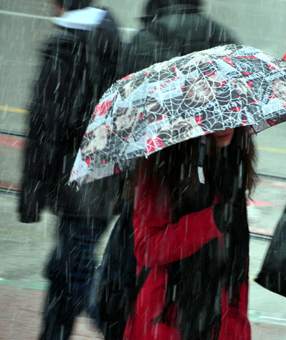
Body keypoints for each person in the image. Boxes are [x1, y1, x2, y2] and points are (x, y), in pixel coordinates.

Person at [17, 0, 121, 339]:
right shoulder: (110, 33)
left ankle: (120, 330)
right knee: (64, 271)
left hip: (78, 185)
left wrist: (31, 193)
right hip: (103, 180)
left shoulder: (66, 44)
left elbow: (44, 122)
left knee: (76, 273)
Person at [123, 127, 256, 340]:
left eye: (228, 113)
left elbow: (237, 266)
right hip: (166, 315)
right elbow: (147, 248)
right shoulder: (161, 167)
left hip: (218, 318)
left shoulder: (232, 164)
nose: (225, 126)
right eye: (213, 117)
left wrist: (237, 327)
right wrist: (210, 221)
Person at [119, 0, 238, 77]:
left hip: (163, 110)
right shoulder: (219, 32)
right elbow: (236, 70)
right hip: (209, 109)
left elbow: (132, 78)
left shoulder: (148, 36)